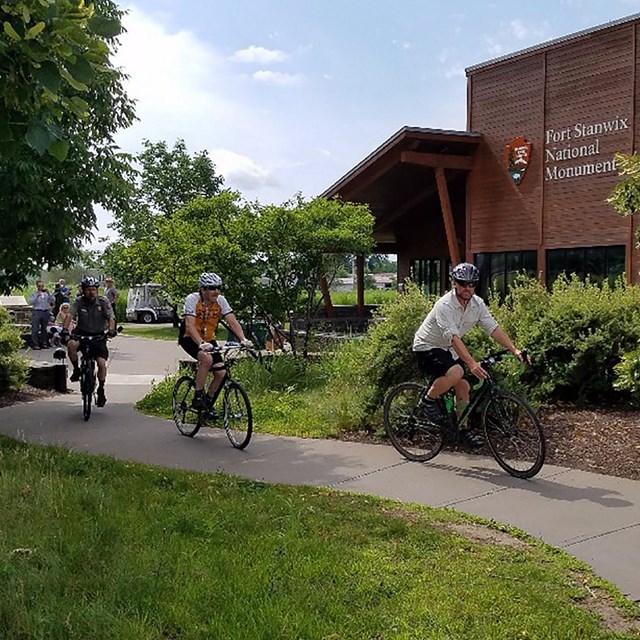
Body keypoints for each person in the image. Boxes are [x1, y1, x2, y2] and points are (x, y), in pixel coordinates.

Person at [412, 262, 530, 448]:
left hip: (448, 349)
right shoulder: (444, 306)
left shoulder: (477, 304)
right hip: (427, 347)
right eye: (463, 283)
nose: (468, 288)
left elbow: (493, 329)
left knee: (464, 386)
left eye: (472, 284)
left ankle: (462, 430)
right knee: (457, 372)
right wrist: (472, 363)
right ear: (454, 283)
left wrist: (514, 350)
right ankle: (428, 400)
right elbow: (453, 338)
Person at [178, 272, 252, 411]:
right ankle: (198, 396)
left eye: (218, 288)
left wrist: (243, 339)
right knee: (206, 360)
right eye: (212, 288)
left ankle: (208, 403)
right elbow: (190, 325)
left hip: (209, 338)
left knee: (221, 373)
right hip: (189, 337)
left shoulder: (221, 300)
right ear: (203, 289)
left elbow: (232, 321)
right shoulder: (192, 299)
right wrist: (201, 343)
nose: (216, 291)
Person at [62, 276, 117, 408]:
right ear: (83, 290)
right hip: (81, 334)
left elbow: (111, 318)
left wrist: (111, 330)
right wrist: (64, 329)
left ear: (97, 290)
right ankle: (76, 370)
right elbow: (70, 315)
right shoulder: (79, 301)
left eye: (93, 289)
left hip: (98, 336)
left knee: (101, 364)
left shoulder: (103, 301)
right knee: (70, 345)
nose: (91, 292)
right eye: (88, 290)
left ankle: (101, 389)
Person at [28, 279, 54, 349]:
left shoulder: (46, 294)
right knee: (35, 328)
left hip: (45, 311)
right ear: (37, 286)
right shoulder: (33, 293)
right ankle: (35, 344)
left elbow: (53, 301)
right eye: (39, 286)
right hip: (37, 311)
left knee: (44, 329)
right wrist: (37, 296)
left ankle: (44, 343)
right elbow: (30, 302)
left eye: (42, 286)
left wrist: (49, 294)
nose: (41, 287)